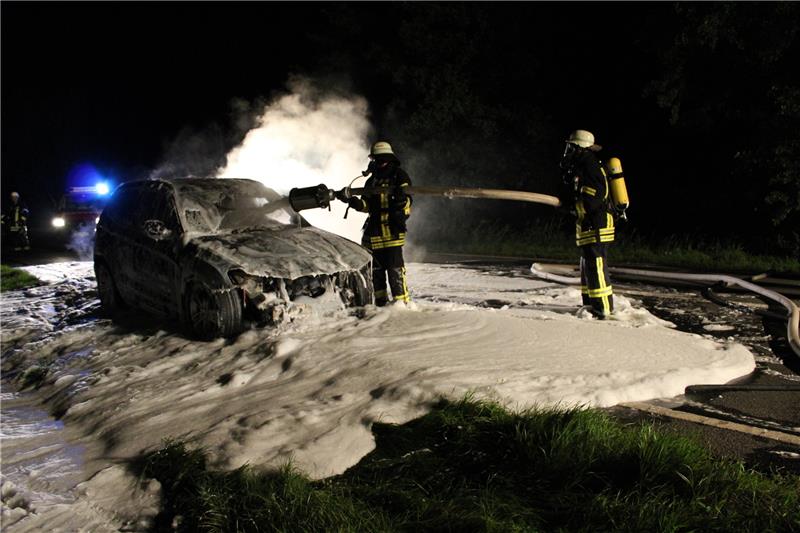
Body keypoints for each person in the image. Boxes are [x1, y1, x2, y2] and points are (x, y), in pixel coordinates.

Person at [337, 141, 412, 306]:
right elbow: (367, 206)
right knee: (376, 273)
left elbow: (408, 202)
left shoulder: (399, 176)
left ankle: (403, 307)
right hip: (374, 235)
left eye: (383, 159)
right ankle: (381, 306)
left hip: (392, 233)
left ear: (390, 159)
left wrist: (401, 200)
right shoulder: (371, 181)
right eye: (377, 159)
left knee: (395, 272)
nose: (380, 162)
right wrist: (354, 203)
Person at [559, 130, 614, 318]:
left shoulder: (590, 167)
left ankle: (603, 308)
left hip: (596, 225)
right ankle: (590, 305)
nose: (568, 151)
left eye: (571, 147)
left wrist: (572, 208)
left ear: (580, 148)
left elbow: (592, 200)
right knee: (588, 267)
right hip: (590, 226)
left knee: (596, 267)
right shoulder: (583, 166)